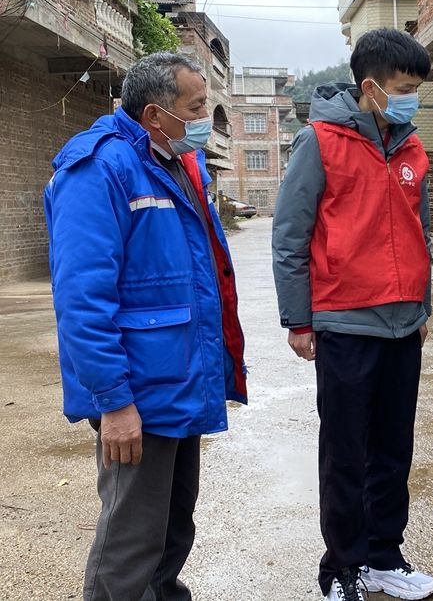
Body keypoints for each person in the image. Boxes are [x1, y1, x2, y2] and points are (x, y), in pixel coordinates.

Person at [44, 52, 247, 601]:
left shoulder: (183, 162)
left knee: (173, 528)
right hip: (137, 391)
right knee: (131, 540)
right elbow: (82, 298)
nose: (208, 117)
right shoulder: (99, 169)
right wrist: (113, 402)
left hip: (179, 379)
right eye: (198, 106)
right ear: (157, 113)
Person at [272, 28, 433, 601]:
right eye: (405, 87)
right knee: (346, 452)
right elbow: (290, 234)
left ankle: (384, 556)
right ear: (371, 87)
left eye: (418, 87)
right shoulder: (319, 142)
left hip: (402, 325)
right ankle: (341, 568)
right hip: (345, 321)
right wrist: (299, 319)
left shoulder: (412, 145)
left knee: (394, 449)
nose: (413, 97)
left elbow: (415, 235)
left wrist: (422, 305)